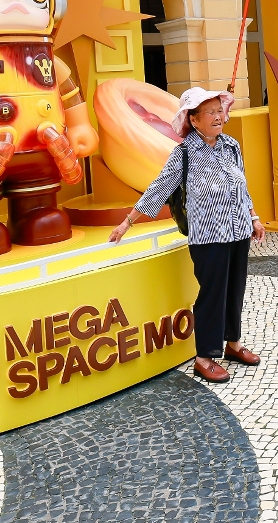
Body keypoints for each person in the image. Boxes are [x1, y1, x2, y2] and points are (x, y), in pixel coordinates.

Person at [108, 88, 266, 384]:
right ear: (193, 119)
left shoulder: (231, 146)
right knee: (212, 294)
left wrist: (254, 217)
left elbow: (240, 186)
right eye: (211, 112)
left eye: (219, 110)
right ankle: (204, 357)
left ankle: (233, 344)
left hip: (238, 230)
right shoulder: (184, 154)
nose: (218, 116)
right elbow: (159, 188)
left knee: (235, 290)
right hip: (209, 236)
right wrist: (127, 222)